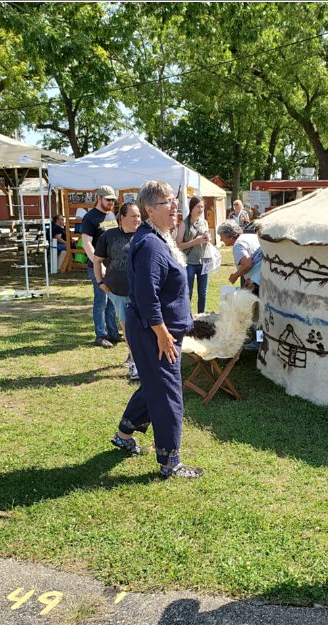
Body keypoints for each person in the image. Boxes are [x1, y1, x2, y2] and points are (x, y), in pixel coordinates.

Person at [111, 180, 204, 480]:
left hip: (155, 330)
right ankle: (170, 462)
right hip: (155, 332)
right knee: (167, 393)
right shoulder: (151, 244)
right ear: (150, 209)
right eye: (168, 202)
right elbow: (146, 294)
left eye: (176, 201)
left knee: (153, 385)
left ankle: (125, 433)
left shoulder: (157, 237)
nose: (176, 206)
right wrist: (162, 333)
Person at [93, 202, 142, 381]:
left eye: (139, 216)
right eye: (133, 216)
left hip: (141, 292)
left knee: (139, 328)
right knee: (128, 328)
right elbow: (97, 260)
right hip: (118, 292)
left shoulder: (144, 235)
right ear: (122, 218)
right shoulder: (109, 235)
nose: (137, 219)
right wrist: (100, 282)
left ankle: (135, 357)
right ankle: (136, 364)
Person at [81, 186, 122, 348]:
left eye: (113, 199)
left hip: (112, 267)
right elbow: (86, 244)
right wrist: (99, 266)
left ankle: (113, 333)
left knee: (112, 301)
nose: (111, 202)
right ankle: (100, 335)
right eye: (108, 199)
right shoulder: (90, 218)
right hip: (98, 267)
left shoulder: (111, 214)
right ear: (99, 198)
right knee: (101, 301)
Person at [176, 196, 210, 314]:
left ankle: (201, 317)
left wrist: (207, 238)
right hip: (189, 262)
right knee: (188, 292)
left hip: (203, 261)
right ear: (192, 207)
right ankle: (187, 317)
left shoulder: (204, 222)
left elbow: (207, 238)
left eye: (202, 207)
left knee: (203, 293)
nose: (201, 209)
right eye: (198, 207)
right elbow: (178, 245)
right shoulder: (184, 224)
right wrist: (195, 242)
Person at [217, 218, 262, 295]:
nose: (221, 239)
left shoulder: (238, 245)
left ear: (229, 236)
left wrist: (235, 276)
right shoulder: (249, 236)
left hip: (257, 282)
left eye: (222, 236)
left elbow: (248, 264)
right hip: (262, 277)